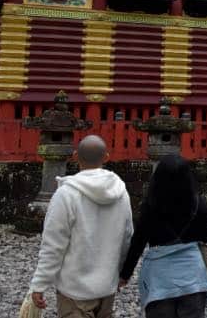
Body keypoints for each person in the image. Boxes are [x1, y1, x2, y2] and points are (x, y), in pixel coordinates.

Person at [28, 135, 133, 317]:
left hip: (74, 289)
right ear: (106, 157)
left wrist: (39, 284)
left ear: (75, 156)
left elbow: (53, 245)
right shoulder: (121, 193)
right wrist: (123, 272)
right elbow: (127, 236)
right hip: (107, 285)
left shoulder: (66, 194)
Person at [119, 154, 207, 318]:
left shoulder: (150, 206)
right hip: (193, 274)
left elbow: (138, 243)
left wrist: (125, 274)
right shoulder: (200, 203)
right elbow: (205, 237)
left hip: (160, 276)